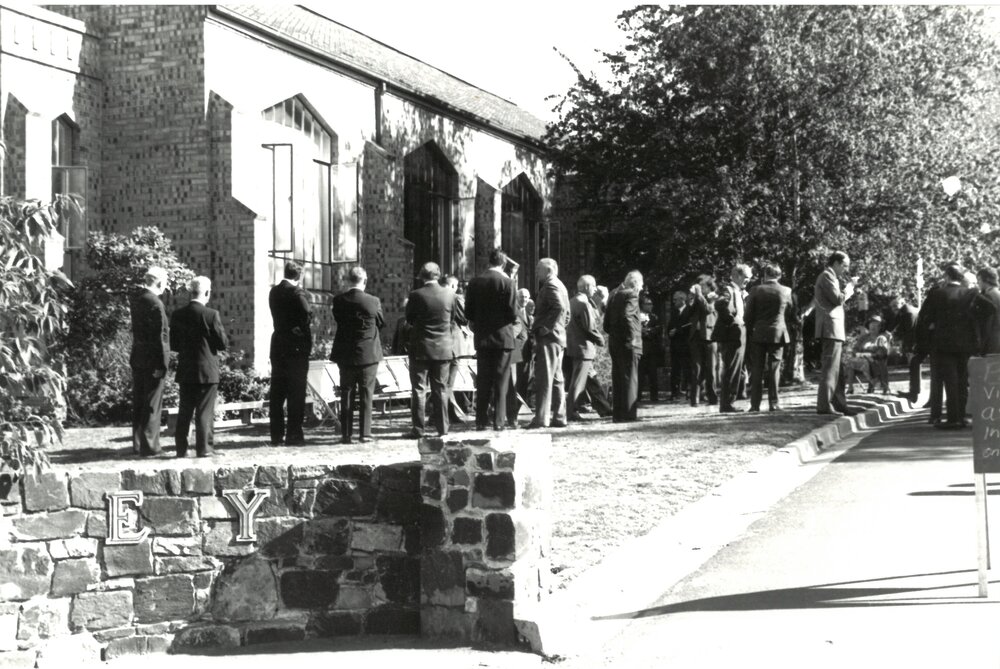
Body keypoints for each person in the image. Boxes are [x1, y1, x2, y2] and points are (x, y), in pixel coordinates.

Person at [169, 276, 228, 458]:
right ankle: (204, 448)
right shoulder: (211, 315)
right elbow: (222, 343)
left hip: (186, 367)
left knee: (185, 410)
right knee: (204, 410)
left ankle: (181, 449)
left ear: (190, 292)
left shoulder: (178, 315)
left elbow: (174, 345)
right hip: (207, 369)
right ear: (207, 293)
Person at [919, 262, 978, 429]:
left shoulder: (937, 294)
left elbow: (925, 317)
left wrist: (932, 326)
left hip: (942, 343)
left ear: (947, 276)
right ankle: (962, 415)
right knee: (962, 379)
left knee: (950, 380)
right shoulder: (970, 293)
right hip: (964, 343)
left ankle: (952, 417)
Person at [465, 249, 518, 431]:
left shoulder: (475, 282)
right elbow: (513, 313)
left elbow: (468, 313)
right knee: (502, 380)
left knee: (483, 380)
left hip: (482, 337)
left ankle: (481, 420)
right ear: (503, 264)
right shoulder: (508, 283)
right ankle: (499, 421)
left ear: (489, 261)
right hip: (503, 337)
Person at [406, 262, 461, 438]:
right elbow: (453, 319)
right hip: (444, 348)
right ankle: (443, 428)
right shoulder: (450, 295)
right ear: (438, 275)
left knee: (419, 389)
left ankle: (418, 429)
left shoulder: (416, 295)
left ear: (422, 276)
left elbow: (410, 319)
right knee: (441, 389)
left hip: (421, 347)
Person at [331, 267, 384, 444]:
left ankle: (346, 434)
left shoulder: (338, 301)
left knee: (346, 392)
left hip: (345, 352)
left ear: (347, 280)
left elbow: (338, 319)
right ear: (365, 280)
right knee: (366, 393)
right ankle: (365, 433)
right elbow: (381, 322)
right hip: (368, 353)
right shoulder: (373, 301)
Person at [268, 261, 312, 446]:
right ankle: (294, 433)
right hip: (295, 347)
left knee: (277, 392)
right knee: (296, 392)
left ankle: (276, 435)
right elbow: (306, 316)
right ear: (299, 276)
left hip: (278, 345)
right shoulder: (297, 293)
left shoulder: (274, 292)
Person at [130, 266, 170, 456]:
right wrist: (162, 364)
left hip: (138, 356)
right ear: (160, 282)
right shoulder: (156, 303)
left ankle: (138, 443)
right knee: (153, 403)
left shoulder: (137, 300)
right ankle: (150, 446)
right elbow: (160, 337)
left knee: (139, 401)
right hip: (152, 359)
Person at [527, 258, 571, 428]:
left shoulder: (551, 285)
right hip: (557, 337)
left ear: (549, 270)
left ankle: (541, 418)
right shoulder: (560, 285)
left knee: (544, 378)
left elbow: (559, 307)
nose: (536, 272)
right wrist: (560, 328)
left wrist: (547, 327)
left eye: (539, 269)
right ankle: (559, 417)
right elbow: (566, 314)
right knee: (557, 378)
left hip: (549, 339)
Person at [813, 251, 857, 416]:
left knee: (837, 369)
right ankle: (824, 406)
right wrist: (850, 288)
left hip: (834, 328)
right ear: (836, 263)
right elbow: (837, 299)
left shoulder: (831, 277)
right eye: (844, 265)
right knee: (830, 369)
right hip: (830, 327)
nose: (845, 269)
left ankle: (839, 404)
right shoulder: (827, 276)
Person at [744, 263, 792, 412]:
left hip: (758, 333)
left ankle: (755, 404)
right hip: (778, 332)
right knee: (774, 368)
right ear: (779, 275)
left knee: (757, 369)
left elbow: (748, 315)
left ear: (765, 275)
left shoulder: (755, 290)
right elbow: (790, 312)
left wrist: (752, 329)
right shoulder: (786, 291)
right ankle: (774, 403)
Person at [605, 270, 644, 422]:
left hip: (615, 342)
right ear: (637, 284)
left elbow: (607, 323)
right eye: (641, 285)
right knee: (630, 378)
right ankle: (629, 414)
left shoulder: (614, 294)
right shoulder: (632, 295)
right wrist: (632, 337)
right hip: (629, 342)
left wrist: (615, 334)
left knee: (618, 378)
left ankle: (618, 414)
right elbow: (627, 315)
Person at [566, 275, 606, 420]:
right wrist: (600, 339)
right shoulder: (583, 303)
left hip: (576, 347)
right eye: (594, 286)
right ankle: (570, 412)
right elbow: (589, 327)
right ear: (587, 287)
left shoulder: (572, 301)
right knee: (578, 382)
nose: (595, 289)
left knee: (592, 380)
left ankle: (604, 408)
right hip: (583, 348)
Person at [713, 264, 752, 413]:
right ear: (736, 275)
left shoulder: (740, 291)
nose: (748, 280)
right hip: (732, 334)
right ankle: (727, 404)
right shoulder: (728, 289)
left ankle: (738, 400)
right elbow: (720, 304)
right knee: (732, 369)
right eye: (746, 278)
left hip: (740, 332)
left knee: (740, 369)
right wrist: (733, 320)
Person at [688, 275, 718, 406]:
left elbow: (707, 309)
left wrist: (699, 294)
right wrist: (694, 297)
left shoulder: (713, 297)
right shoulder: (695, 298)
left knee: (711, 369)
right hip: (696, 336)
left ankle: (712, 398)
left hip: (709, 337)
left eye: (703, 286)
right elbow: (688, 311)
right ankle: (695, 399)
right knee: (696, 368)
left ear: (709, 286)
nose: (700, 288)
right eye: (699, 285)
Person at [505, 287, 530, 427]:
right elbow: (516, 328)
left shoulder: (527, 311)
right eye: (521, 296)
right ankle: (511, 413)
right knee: (514, 383)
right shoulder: (514, 309)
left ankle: (515, 411)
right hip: (515, 350)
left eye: (526, 297)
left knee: (522, 383)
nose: (524, 299)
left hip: (525, 351)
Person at [889, 295, 921, 402]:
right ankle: (913, 392)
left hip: (916, 344)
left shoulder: (907, 313)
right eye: (892, 306)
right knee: (914, 367)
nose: (894, 308)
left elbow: (910, 333)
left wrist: (908, 349)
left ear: (902, 303)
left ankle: (913, 394)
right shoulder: (905, 311)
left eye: (895, 305)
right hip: (917, 343)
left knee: (914, 367)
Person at [638, 295, 664, 403]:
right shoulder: (637, 316)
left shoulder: (654, 317)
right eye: (648, 304)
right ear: (642, 305)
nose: (651, 306)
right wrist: (642, 331)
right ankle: (637, 396)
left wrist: (647, 331)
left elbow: (659, 329)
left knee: (653, 374)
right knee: (639, 374)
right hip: (641, 348)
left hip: (652, 349)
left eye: (651, 304)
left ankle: (654, 397)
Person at [855, 315, 891, 393]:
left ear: (880, 327)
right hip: (862, 359)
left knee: (878, 363)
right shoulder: (864, 338)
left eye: (876, 325)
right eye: (871, 324)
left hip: (877, 359)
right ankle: (851, 388)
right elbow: (856, 348)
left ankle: (880, 386)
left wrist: (870, 354)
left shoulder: (882, 337)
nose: (873, 326)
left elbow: (883, 352)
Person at [668, 290, 692, 401]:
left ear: (682, 299)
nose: (673, 302)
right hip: (675, 345)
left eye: (675, 299)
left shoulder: (690, 310)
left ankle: (688, 390)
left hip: (686, 345)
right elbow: (669, 326)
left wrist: (677, 331)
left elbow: (690, 326)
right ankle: (675, 392)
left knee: (687, 369)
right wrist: (670, 332)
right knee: (675, 370)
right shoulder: (674, 312)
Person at [973, 267, 1000, 356]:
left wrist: (981, 344)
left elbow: (986, 324)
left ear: (987, 280)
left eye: (979, 280)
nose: (978, 283)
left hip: (991, 342)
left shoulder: (987, 297)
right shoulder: (998, 294)